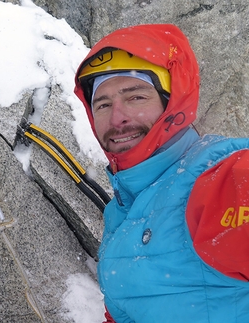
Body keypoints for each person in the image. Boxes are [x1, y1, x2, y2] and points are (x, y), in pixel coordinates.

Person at [74, 24, 249, 322]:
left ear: (172, 102)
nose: (117, 118)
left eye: (136, 97)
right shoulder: (121, 210)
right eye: (103, 104)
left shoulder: (217, 179)